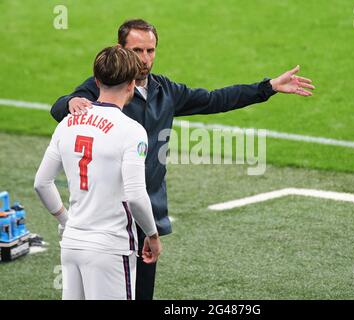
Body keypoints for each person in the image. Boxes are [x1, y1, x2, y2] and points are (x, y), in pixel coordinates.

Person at [50, 19, 315, 300]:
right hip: (109, 218)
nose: (145, 59)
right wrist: (69, 102)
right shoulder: (101, 88)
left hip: (147, 210)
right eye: (137, 50)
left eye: (150, 51)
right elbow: (60, 108)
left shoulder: (165, 90)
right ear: (120, 49)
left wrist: (268, 87)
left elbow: (215, 99)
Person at [35, 45, 162, 300]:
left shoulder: (67, 122)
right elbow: (136, 197)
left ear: (96, 81)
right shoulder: (132, 130)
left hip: (71, 245)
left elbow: (41, 183)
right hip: (111, 248)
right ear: (130, 85)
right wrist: (152, 235)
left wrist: (66, 222)